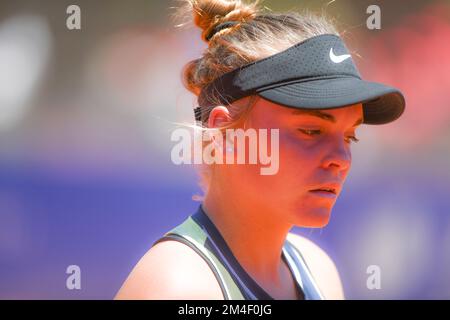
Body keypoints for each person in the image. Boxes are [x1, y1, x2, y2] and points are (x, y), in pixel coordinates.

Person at [115, 0, 405, 300]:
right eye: (311, 131)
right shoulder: (177, 287)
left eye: (349, 137)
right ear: (223, 136)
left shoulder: (319, 271)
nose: (341, 160)